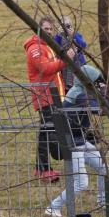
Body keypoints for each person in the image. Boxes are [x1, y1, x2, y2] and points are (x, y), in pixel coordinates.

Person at [46, 65, 108, 217]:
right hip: (73, 143)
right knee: (81, 182)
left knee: (103, 167)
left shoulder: (79, 91)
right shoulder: (80, 96)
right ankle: (53, 206)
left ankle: (103, 202)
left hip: (79, 140)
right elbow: (101, 110)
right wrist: (104, 92)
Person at [24, 18, 75, 183]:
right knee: (47, 132)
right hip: (44, 96)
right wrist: (66, 59)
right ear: (37, 29)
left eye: (51, 29)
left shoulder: (46, 46)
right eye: (45, 28)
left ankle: (41, 168)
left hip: (53, 95)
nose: (49, 31)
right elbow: (45, 68)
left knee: (45, 132)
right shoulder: (35, 49)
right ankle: (44, 169)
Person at [53, 16, 87, 88]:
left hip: (78, 64)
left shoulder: (76, 34)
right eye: (63, 26)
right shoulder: (58, 36)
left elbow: (83, 45)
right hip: (64, 65)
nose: (66, 28)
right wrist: (59, 35)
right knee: (66, 85)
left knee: (79, 83)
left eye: (68, 26)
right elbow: (54, 47)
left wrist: (73, 35)